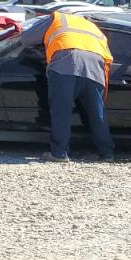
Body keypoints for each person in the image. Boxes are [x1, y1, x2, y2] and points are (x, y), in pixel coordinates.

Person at [21, 11, 114, 162]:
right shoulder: (93, 27)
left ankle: (59, 153)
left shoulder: (58, 18)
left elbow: (26, 38)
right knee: (97, 114)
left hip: (66, 63)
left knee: (61, 111)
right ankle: (107, 153)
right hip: (96, 67)